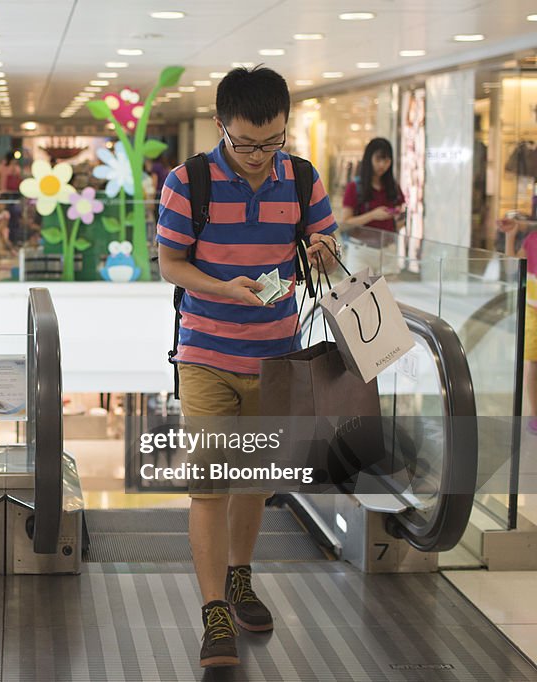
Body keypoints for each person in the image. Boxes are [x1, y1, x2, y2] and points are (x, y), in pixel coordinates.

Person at [156, 66, 339, 668]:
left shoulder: (304, 178)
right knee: (208, 485)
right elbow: (171, 266)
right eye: (246, 143)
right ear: (219, 126)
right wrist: (224, 289)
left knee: (255, 480)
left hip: (277, 357)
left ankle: (240, 578)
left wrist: (322, 251)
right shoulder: (189, 183)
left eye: (272, 141)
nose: (260, 156)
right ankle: (215, 614)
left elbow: (330, 253)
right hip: (207, 355)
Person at [341, 137, 406, 273]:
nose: (382, 165)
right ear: (369, 158)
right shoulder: (354, 187)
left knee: (387, 294)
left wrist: (397, 221)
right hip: (361, 250)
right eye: (378, 159)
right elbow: (345, 223)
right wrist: (372, 215)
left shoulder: (394, 188)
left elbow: (402, 217)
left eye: (387, 160)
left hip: (388, 250)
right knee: (360, 293)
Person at [499, 213, 537, 434]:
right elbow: (512, 268)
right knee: (533, 362)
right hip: (533, 312)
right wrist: (510, 237)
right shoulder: (531, 240)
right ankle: (534, 412)